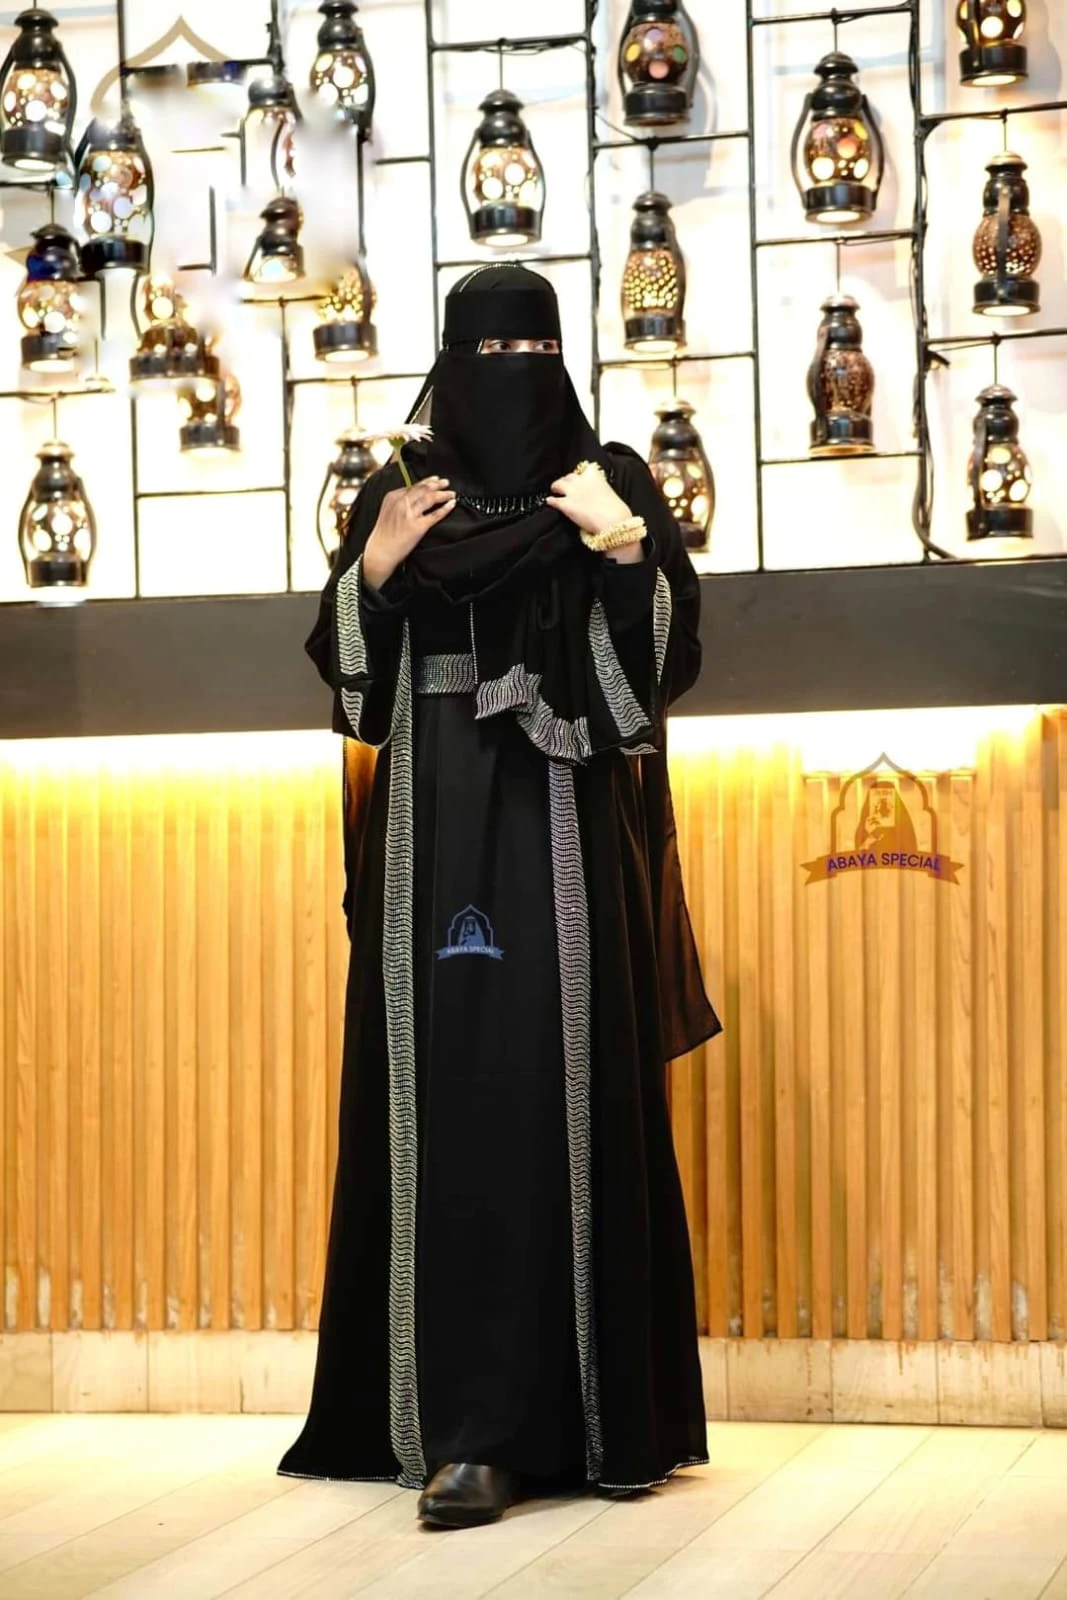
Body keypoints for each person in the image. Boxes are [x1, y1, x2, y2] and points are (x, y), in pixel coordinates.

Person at [278, 264, 721, 1529]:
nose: (508, 378)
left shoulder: (606, 484)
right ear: (446, 366)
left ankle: (575, 1420)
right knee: (446, 1104)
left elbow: (650, 684)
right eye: (485, 356)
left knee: (550, 1091)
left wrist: (620, 549)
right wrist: (374, 572)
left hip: (561, 830)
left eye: (530, 352)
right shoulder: (404, 489)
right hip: (428, 839)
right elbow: (354, 691)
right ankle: (458, 1427)